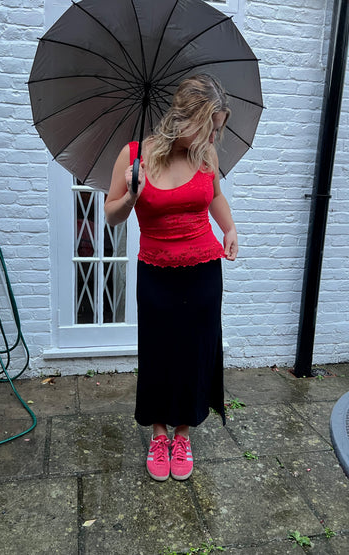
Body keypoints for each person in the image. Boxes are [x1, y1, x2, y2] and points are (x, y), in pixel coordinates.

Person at [104, 74, 238, 481]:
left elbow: (213, 196)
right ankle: (159, 434)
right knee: (160, 351)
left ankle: (183, 434)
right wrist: (130, 195)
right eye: (210, 127)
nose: (213, 137)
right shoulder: (134, 156)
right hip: (157, 272)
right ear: (187, 117)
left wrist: (229, 229)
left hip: (203, 272)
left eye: (217, 129)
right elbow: (112, 215)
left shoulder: (206, 156)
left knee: (197, 351)